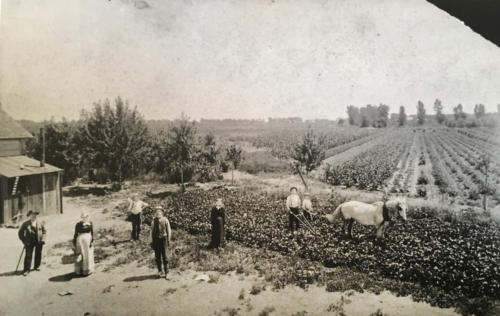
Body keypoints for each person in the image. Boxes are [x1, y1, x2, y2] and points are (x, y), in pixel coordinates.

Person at [18, 210, 46, 276]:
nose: (33, 216)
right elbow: (20, 233)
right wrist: (24, 241)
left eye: (35, 215)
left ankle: (37, 266)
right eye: (32, 215)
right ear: (29, 216)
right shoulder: (25, 224)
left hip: (38, 241)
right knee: (28, 255)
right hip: (29, 242)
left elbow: (44, 232)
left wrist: (43, 239)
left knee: (38, 254)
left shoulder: (40, 223)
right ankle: (26, 270)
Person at [150, 207, 171, 280]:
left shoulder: (165, 220)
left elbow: (169, 230)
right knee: (157, 256)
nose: (157, 213)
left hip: (163, 239)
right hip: (156, 240)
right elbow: (151, 231)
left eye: (159, 212)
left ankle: (167, 272)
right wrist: (151, 240)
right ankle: (159, 271)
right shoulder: (153, 221)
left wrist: (168, 239)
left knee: (165, 256)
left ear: (162, 213)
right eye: (156, 212)